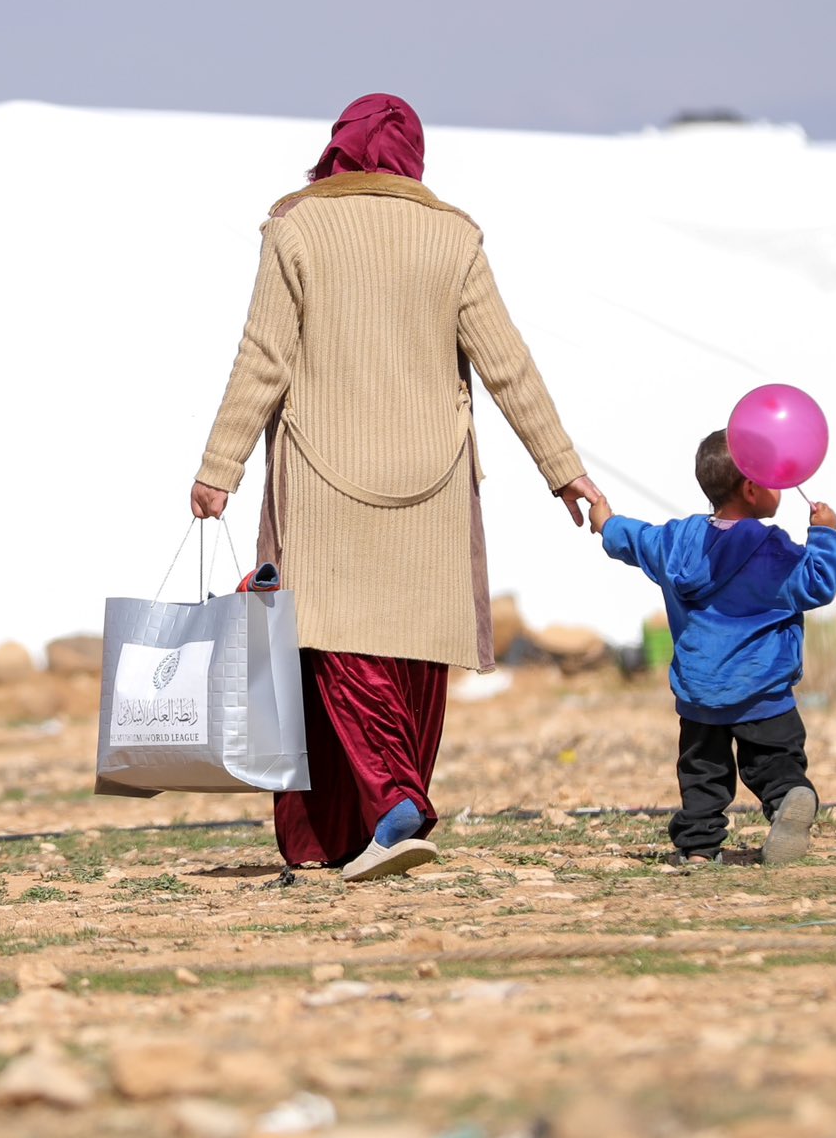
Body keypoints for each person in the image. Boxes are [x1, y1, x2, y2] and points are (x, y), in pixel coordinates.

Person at [191, 93, 605, 884]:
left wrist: (221, 467)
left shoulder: (296, 227)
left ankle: (392, 805)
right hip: (433, 480)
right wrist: (564, 469)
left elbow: (263, 357)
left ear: (337, 151)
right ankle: (372, 822)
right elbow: (506, 361)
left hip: (323, 474)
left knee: (338, 649)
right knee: (412, 652)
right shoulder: (453, 235)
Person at [589, 429, 836, 865]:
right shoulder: (774, 552)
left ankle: (697, 849)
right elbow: (817, 584)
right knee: (775, 761)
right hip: (763, 693)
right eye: (772, 476)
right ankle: (789, 796)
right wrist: (824, 536)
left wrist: (605, 522)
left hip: (700, 697)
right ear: (751, 488)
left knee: (702, 774)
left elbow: (634, 539)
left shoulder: (676, 542)